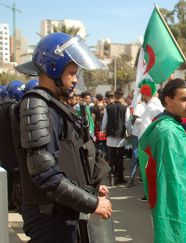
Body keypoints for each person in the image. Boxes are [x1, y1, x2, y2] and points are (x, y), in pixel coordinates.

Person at [14, 32, 112, 243]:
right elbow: (45, 173)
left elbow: (68, 158)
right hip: (49, 218)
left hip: (63, 212)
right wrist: (92, 203)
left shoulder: (53, 105)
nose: (76, 80)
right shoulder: (37, 105)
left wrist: (91, 187)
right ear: (53, 68)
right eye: (72, 73)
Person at [140, 78, 186, 242]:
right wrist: (178, 210)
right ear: (168, 101)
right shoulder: (168, 132)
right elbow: (170, 179)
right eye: (184, 99)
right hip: (173, 201)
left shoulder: (170, 125)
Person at [127, 79, 164, 187]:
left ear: (144, 94)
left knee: (148, 167)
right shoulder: (153, 105)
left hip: (148, 143)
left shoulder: (153, 107)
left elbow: (148, 127)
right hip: (147, 141)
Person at [102, 88, 127, 185]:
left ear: (115, 96)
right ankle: (119, 177)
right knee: (120, 158)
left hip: (110, 135)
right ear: (122, 96)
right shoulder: (125, 108)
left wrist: (104, 130)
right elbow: (127, 122)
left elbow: (104, 122)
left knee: (111, 158)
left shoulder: (108, 108)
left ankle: (111, 176)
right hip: (120, 136)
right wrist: (129, 132)